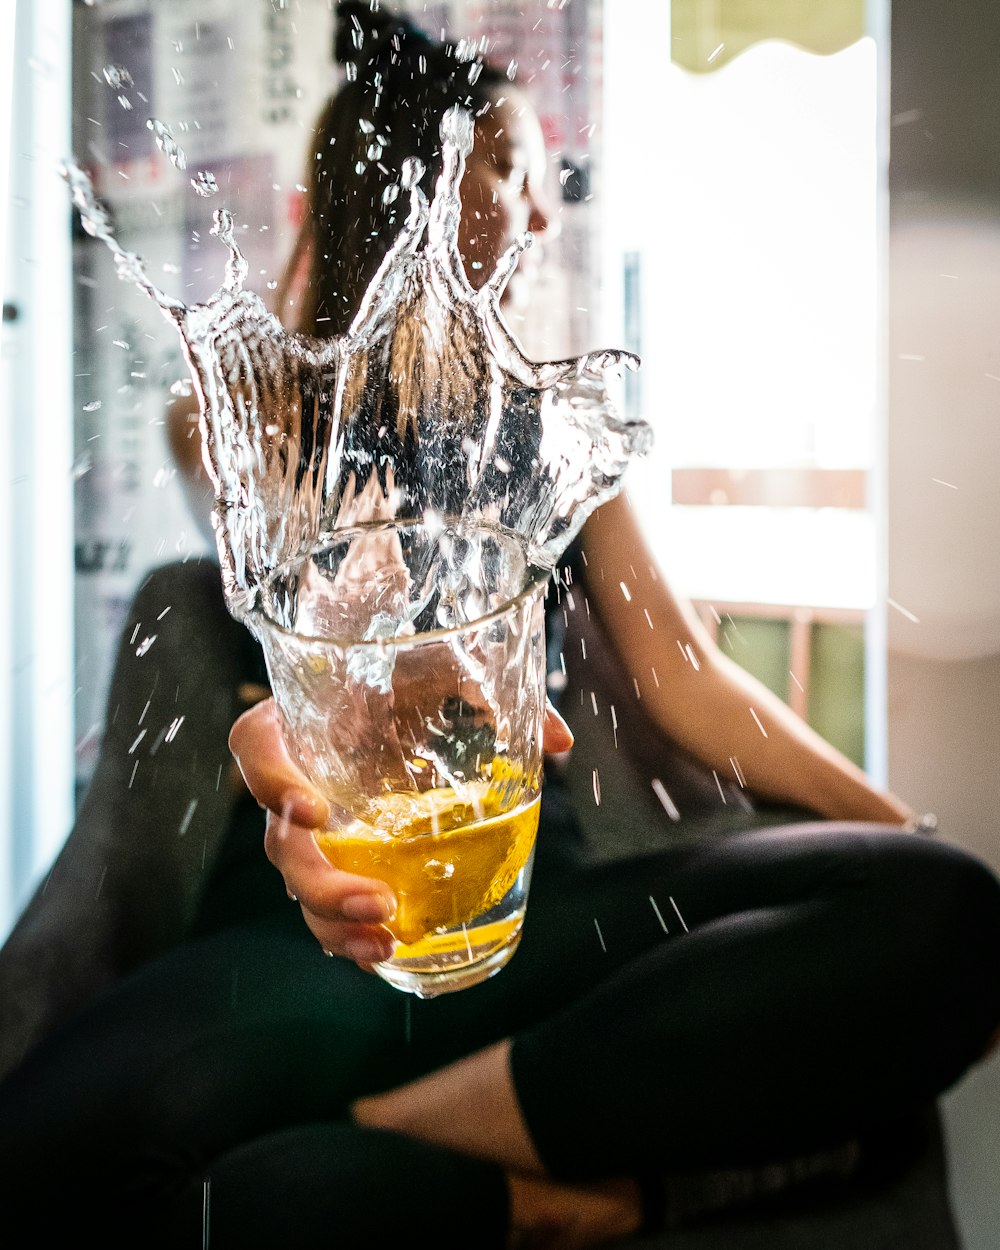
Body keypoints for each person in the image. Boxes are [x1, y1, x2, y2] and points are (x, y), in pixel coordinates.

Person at [1, 6, 998, 1248]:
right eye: (513, 170)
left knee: (949, 908)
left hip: (534, 914)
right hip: (313, 941)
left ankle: (416, 1135)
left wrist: (889, 822)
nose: (539, 215)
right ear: (422, 179)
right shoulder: (257, 413)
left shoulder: (556, 432)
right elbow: (287, 581)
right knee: (34, 1147)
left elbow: (687, 681)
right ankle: (506, 1187)